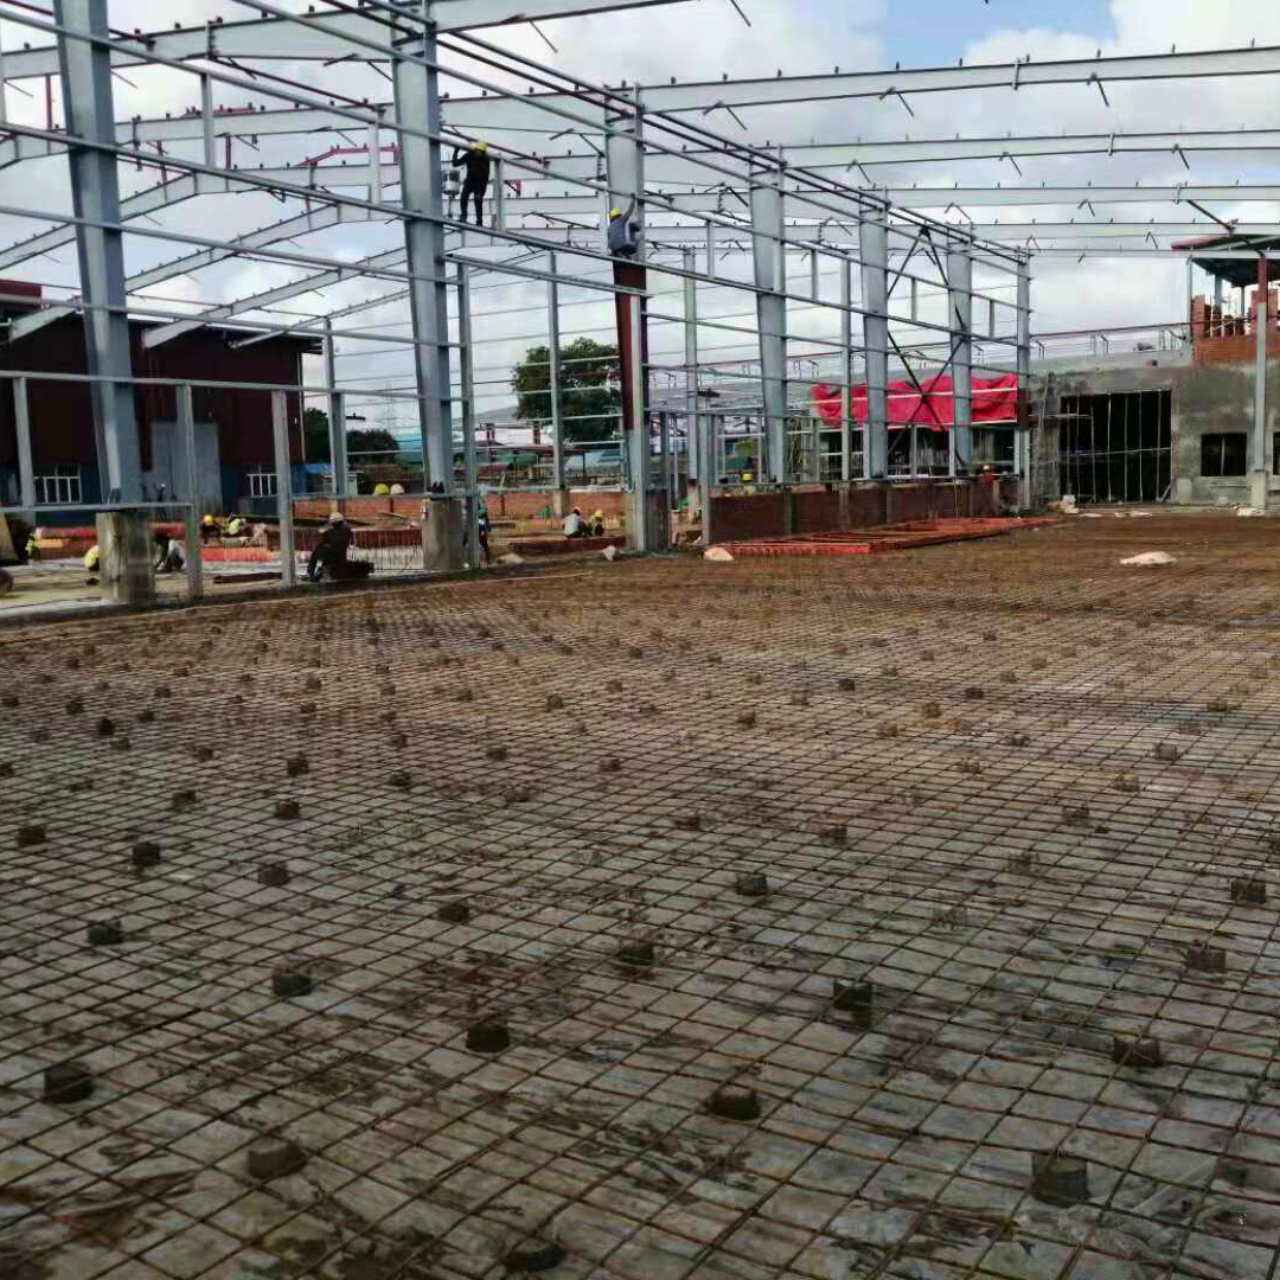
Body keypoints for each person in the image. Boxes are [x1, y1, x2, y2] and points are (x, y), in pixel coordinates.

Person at [451, 141, 490, 226]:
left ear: (483, 152)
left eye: (480, 151)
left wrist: (482, 190)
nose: (478, 153)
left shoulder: (485, 159)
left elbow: (486, 176)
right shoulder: (469, 155)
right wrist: (456, 151)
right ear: (475, 149)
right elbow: (455, 163)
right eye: (477, 151)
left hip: (480, 184)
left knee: (478, 201)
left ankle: (479, 221)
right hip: (470, 181)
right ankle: (463, 216)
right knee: (463, 198)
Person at [307, 511, 353, 582]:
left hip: (331, 557)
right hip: (341, 557)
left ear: (332, 523)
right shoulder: (348, 531)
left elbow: (322, 544)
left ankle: (310, 574)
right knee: (322, 552)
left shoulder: (328, 533)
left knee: (316, 552)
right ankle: (320, 572)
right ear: (342, 521)